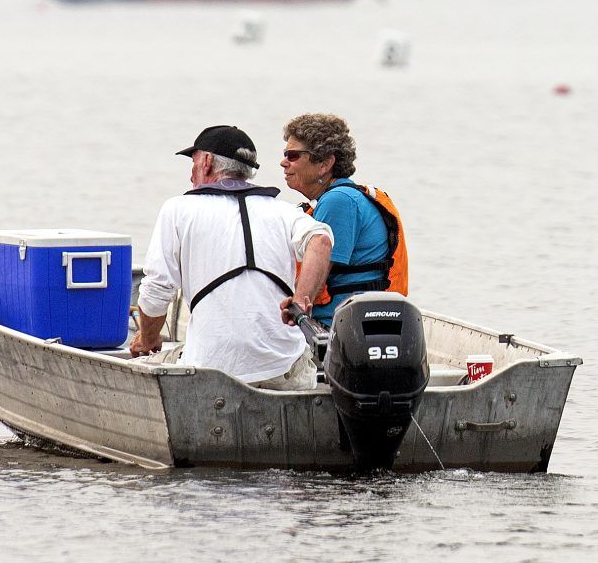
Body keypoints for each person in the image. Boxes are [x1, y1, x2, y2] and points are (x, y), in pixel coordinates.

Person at [127, 124, 331, 388]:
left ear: (208, 162)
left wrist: (147, 337)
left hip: (211, 370)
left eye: (194, 161)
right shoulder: (284, 211)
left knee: (139, 367)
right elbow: (321, 241)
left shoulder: (178, 209)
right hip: (283, 369)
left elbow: (157, 289)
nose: (191, 175)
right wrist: (302, 301)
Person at [278, 113, 408, 328]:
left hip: (341, 328)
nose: (283, 163)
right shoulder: (341, 198)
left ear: (325, 163)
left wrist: (296, 305)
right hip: (352, 323)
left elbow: (318, 269)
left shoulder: (338, 201)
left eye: (292, 155)